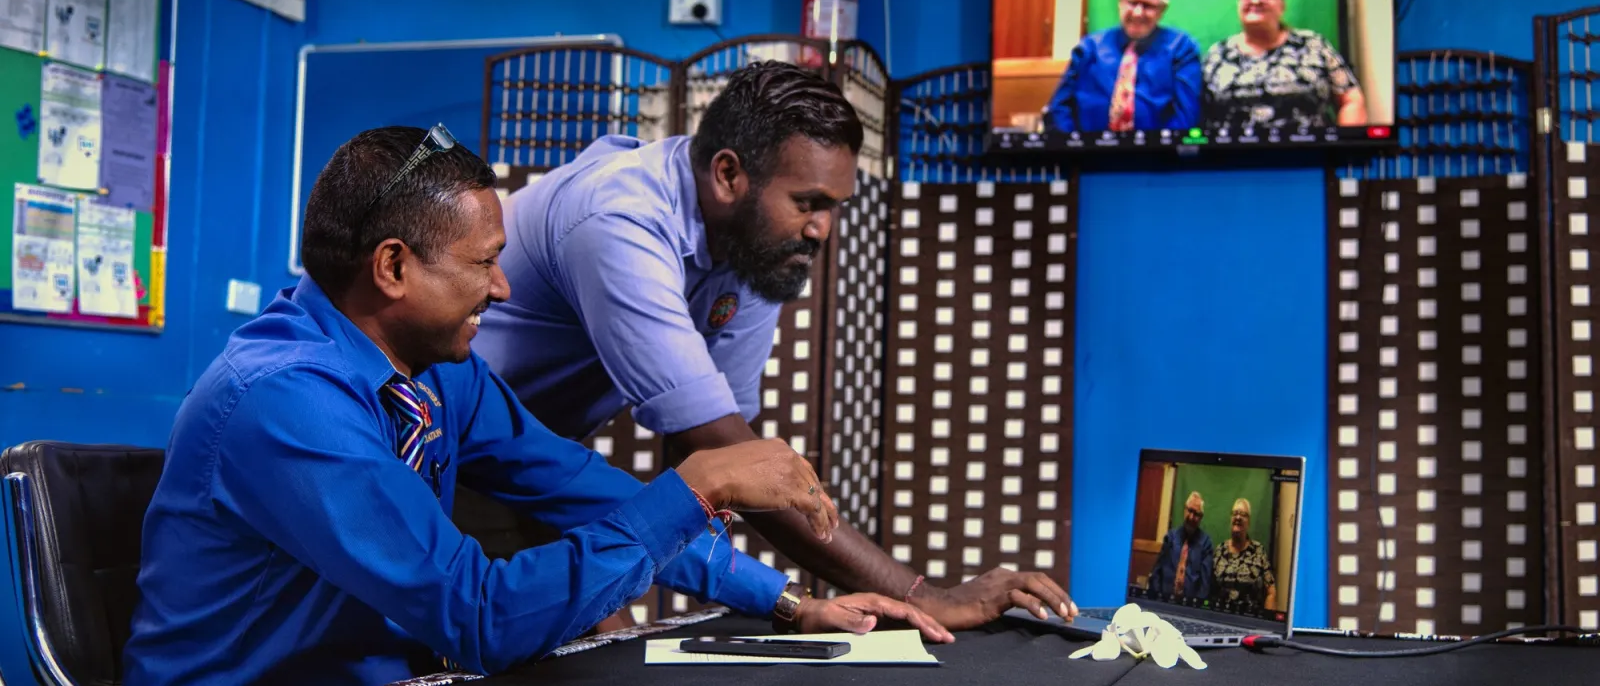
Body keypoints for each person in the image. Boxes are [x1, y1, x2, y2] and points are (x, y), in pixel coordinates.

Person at [123, 125, 951, 686]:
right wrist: (700, 487)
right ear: (392, 268)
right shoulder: (285, 403)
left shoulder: (439, 374)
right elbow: (473, 614)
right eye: (483, 264)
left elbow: (585, 488)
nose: (504, 287)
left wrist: (788, 601)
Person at [474, 60, 1076, 631]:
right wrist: (928, 596)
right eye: (808, 203)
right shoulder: (618, 220)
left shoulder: (755, 247)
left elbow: (712, 461)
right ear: (730, 175)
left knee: (608, 646)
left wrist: (785, 602)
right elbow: (725, 454)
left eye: (835, 207)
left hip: (538, 467)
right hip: (433, 453)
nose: (823, 229)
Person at [1201, 0, 1368, 132]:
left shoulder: (1313, 45)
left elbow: (1351, 100)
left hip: (1309, 155)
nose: (1256, 1)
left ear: (1282, 5)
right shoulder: (1218, 54)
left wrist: (1345, 146)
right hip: (1234, 157)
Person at [1043, 0, 1202, 134]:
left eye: (1148, 6)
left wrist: (1160, 151)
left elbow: (1186, 115)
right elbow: (1059, 109)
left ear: (1162, 11)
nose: (1138, 12)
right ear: (1120, 3)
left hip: (1155, 153)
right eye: (1132, 3)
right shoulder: (1090, 47)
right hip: (1089, 152)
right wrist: (1076, 148)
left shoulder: (1181, 48)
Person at [1212, 497, 1277, 610]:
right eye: (1235, 513)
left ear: (1249, 522)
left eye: (1243, 514)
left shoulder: (1258, 551)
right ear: (1231, 518)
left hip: (1249, 619)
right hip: (1221, 617)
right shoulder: (1219, 550)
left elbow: (1271, 592)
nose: (1238, 517)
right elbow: (1210, 589)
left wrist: (1266, 622)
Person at [1147, 491, 1214, 601]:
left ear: (1201, 517)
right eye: (1190, 511)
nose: (1191, 517)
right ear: (1184, 510)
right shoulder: (1170, 537)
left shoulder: (1206, 543)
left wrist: (1196, 609)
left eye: (1196, 514)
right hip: (1165, 600)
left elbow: (1205, 585)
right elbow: (1157, 573)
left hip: (1190, 605)